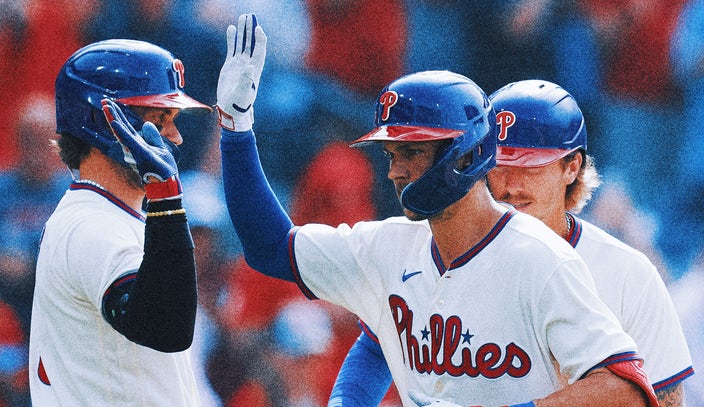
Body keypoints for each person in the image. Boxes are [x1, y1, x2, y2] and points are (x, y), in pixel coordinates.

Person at [209, 14, 658, 406]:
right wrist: (236, 129)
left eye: (411, 153)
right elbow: (269, 248)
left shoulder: (542, 260)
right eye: (390, 155)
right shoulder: (387, 246)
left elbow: (629, 391)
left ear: (465, 154)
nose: (395, 172)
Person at [329, 79, 695, 407]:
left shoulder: (627, 272)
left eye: (529, 167)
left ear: (572, 167)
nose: (508, 186)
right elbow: (378, 344)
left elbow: (665, 399)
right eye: (496, 166)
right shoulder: (449, 248)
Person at [28, 39, 211, 405]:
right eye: (161, 120)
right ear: (107, 122)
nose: (175, 137)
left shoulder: (106, 216)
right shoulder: (90, 225)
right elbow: (166, 327)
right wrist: (167, 201)